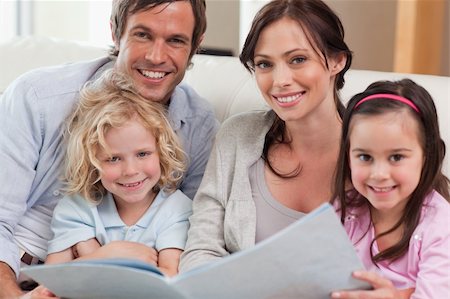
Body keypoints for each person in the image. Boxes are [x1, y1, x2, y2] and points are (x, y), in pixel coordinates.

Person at [0, 0, 218, 297]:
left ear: (195, 45)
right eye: (143, 35)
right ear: (116, 32)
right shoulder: (37, 97)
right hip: (17, 271)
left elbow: (194, 239)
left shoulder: (200, 126)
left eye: (176, 40)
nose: (156, 56)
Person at [180, 0, 352, 271]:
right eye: (264, 64)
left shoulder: (378, 146)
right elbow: (202, 249)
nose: (280, 80)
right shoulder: (236, 138)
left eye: (298, 59)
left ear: (336, 61)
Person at [331, 79, 450, 299]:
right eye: (365, 157)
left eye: (396, 157)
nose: (379, 174)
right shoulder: (343, 210)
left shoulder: (441, 226)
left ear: (427, 155)